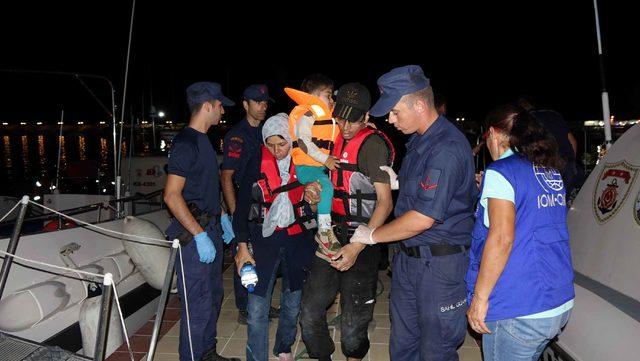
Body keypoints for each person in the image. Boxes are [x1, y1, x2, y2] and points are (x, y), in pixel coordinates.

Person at [349, 65, 477, 361]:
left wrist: (373, 235)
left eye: (395, 112)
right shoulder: (421, 140)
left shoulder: (445, 147)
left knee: (435, 350)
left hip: (439, 267)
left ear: (419, 105)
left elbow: (422, 218)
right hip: (409, 262)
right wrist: (400, 182)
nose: (390, 120)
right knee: (403, 345)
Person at [465, 104, 574, 360]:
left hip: (519, 306)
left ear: (493, 134)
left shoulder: (501, 172)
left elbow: (501, 239)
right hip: (556, 300)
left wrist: (479, 300)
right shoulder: (549, 171)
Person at [299, 83, 394, 361]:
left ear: (366, 118)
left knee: (353, 323)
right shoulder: (329, 136)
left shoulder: (372, 146)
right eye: (342, 118)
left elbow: (385, 203)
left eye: (354, 120)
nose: (347, 127)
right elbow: (320, 191)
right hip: (329, 233)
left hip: (362, 237)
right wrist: (312, 192)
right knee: (310, 310)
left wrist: (356, 246)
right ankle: (322, 355)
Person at [163, 82, 238, 361]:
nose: (222, 110)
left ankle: (207, 353)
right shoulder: (186, 143)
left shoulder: (204, 141)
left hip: (211, 228)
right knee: (197, 305)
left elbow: (205, 188)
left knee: (213, 298)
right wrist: (198, 234)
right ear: (207, 105)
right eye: (220, 105)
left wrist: (222, 217)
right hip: (193, 237)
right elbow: (171, 195)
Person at [234, 113, 316, 361]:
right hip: (263, 242)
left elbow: (323, 202)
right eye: (270, 144)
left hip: (298, 241)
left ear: (291, 140)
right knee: (257, 308)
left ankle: (283, 347)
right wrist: (242, 247)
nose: (277, 150)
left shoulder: (306, 161)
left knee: (292, 303)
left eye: (282, 144)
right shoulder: (255, 163)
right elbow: (241, 210)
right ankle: (256, 357)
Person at [221, 84, 279, 324]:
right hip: (243, 203)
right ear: (246, 105)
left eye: (265, 102)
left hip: (264, 204)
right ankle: (244, 307)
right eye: (257, 102)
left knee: (262, 253)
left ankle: (260, 299)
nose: (263, 106)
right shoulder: (237, 136)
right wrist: (236, 212)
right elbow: (226, 176)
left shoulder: (267, 131)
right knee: (243, 254)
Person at [285, 74, 342, 261]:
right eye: (327, 95)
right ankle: (324, 230)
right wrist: (325, 159)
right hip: (306, 167)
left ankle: (324, 230)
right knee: (326, 187)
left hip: (318, 166)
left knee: (325, 191)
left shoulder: (328, 116)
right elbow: (303, 142)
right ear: (314, 96)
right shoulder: (308, 113)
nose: (331, 99)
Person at [516, 96, 581, 194]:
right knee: (563, 200)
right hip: (567, 164)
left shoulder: (527, 121)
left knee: (551, 201)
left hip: (548, 167)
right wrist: (571, 163)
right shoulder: (553, 114)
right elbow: (573, 142)